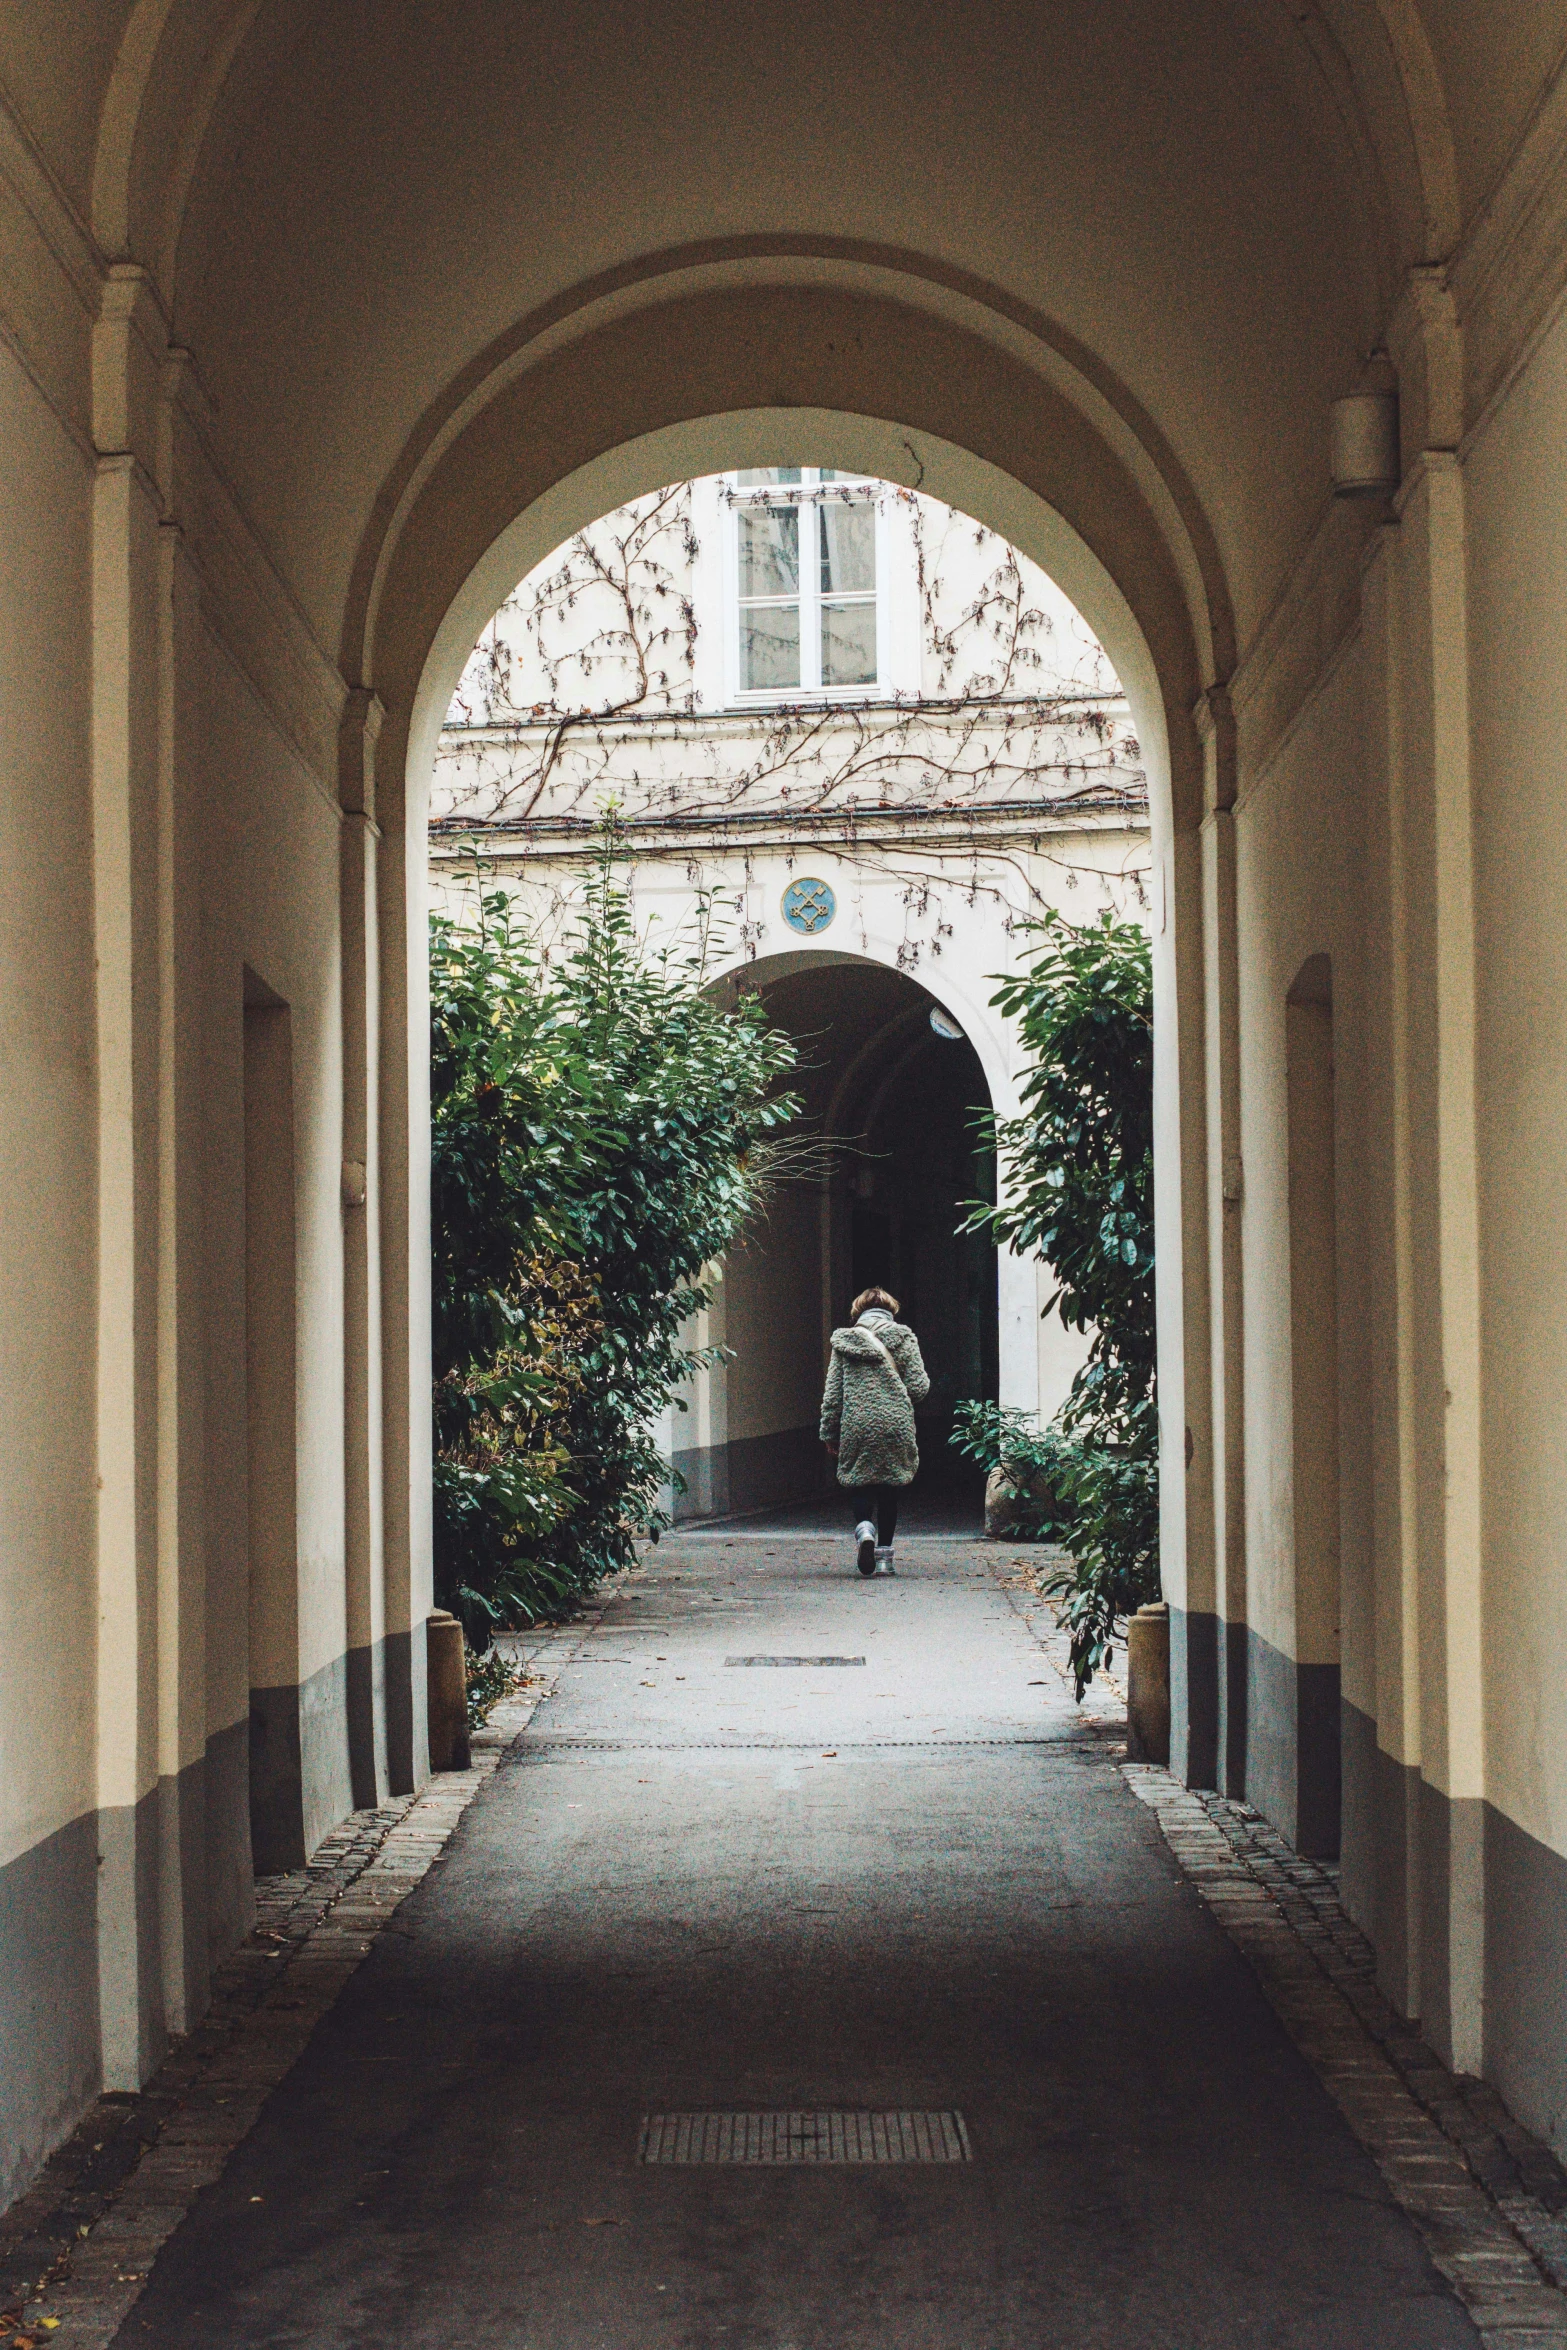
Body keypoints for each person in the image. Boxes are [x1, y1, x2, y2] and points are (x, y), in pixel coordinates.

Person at [818, 1286, 930, 1577]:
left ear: (859, 1311)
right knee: (889, 1487)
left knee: (860, 1481)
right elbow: (918, 1387)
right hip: (895, 1422)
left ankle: (864, 1528)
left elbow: (833, 1395)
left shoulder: (844, 1342)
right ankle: (885, 1560)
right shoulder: (904, 1338)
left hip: (856, 1423)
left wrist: (830, 1433)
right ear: (890, 1310)